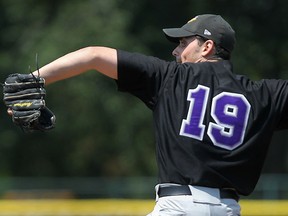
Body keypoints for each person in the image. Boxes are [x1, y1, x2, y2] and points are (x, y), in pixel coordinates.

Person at [19, 14, 288, 215]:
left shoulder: (170, 77)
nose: (175, 50)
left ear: (206, 47)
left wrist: (32, 80)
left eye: (183, 42)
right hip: (228, 210)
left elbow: (93, 55)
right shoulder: (264, 95)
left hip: (178, 206)